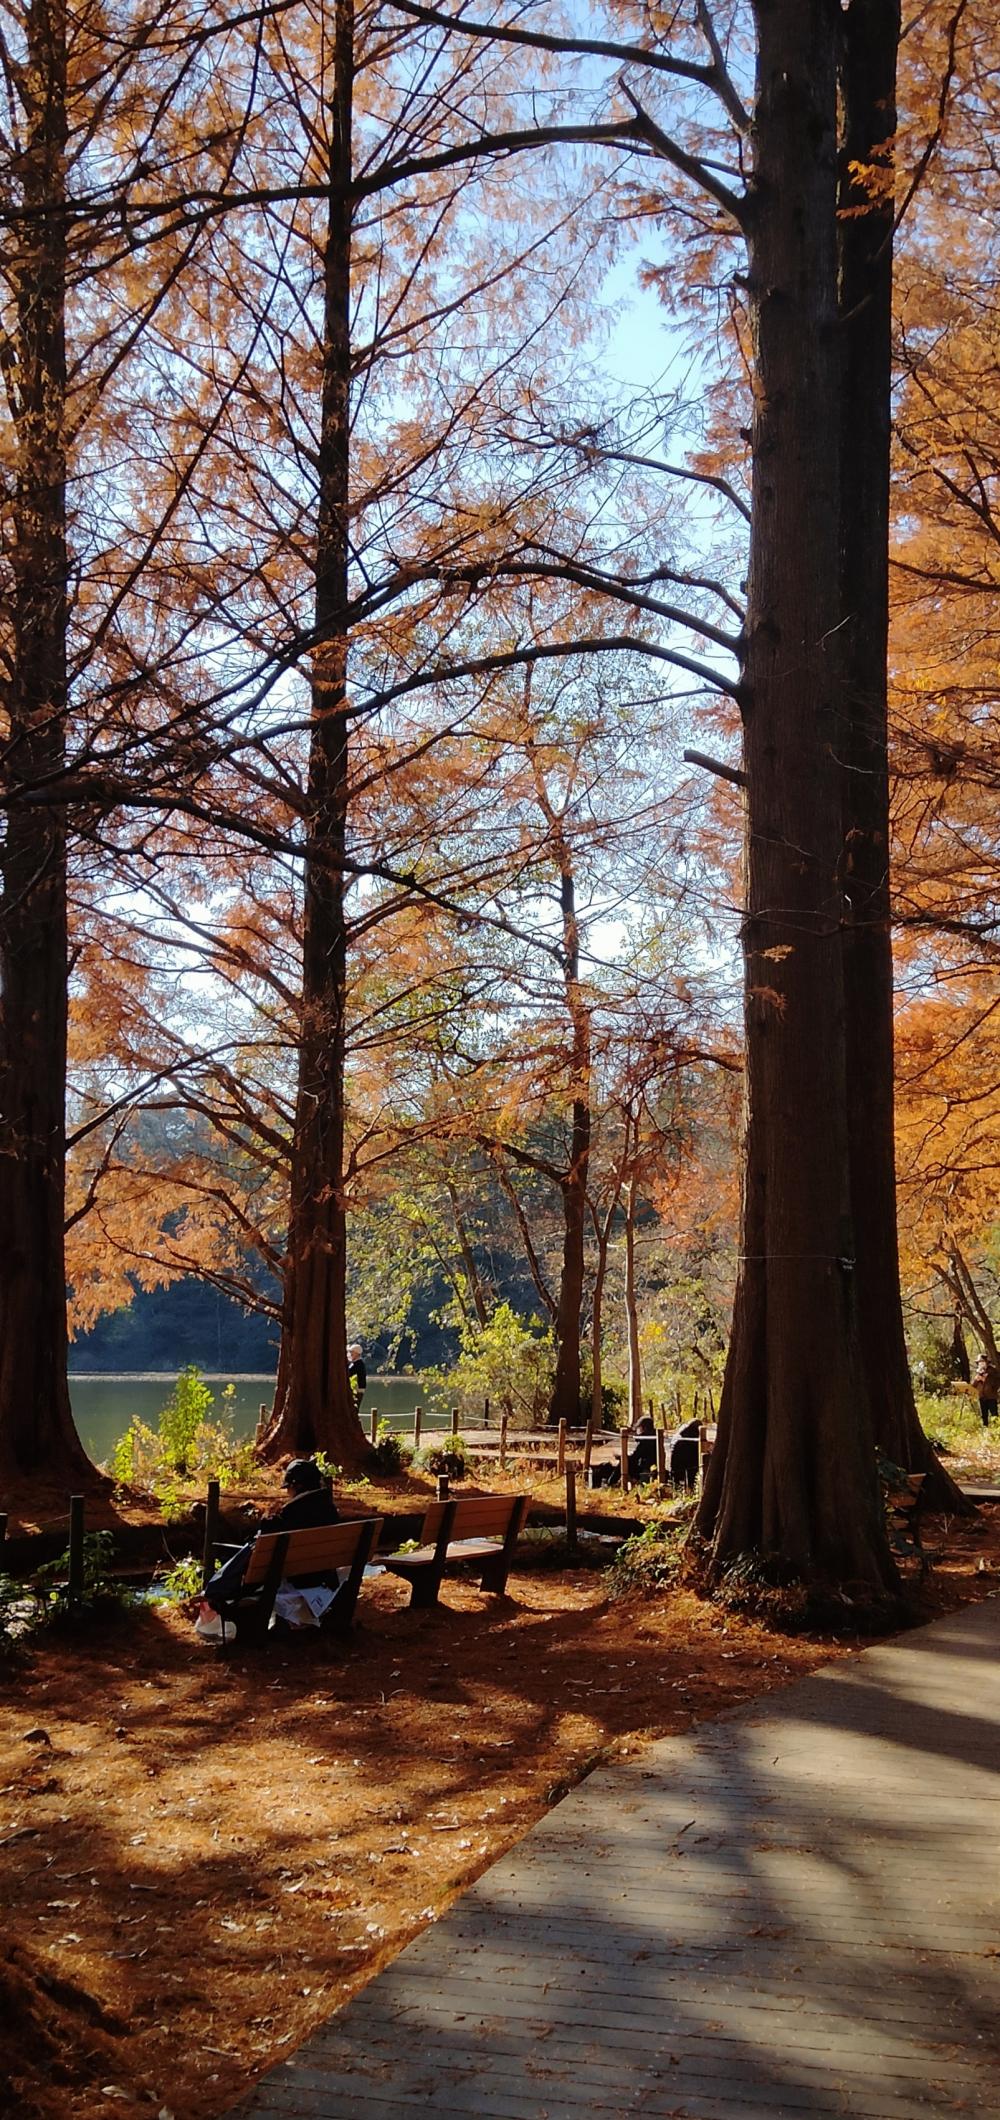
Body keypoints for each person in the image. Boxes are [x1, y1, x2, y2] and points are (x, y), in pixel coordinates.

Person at [200, 1458, 339, 1612]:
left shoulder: (288, 1517)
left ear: (297, 1485)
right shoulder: (330, 1511)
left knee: (249, 1552)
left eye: (288, 1488)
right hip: (323, 1578)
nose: (287, 1492)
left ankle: (216, 1591)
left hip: (297, 1580)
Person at [972, 1352, 999, 1428]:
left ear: (986, 1362)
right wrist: (977, 1379)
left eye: (982, 1361)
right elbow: (973, 1386)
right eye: (979, 1362)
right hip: (982, 1396)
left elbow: (996, 1383)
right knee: (984, 1415)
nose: (981, 1364)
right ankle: (985, 1428)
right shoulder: (978, 1372)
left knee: (994, 1414)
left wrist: (985, 1379)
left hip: (991, 1396)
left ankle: (996, 1430)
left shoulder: (992, 1371)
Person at [348, 1342, 367, 1411]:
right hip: (357, 1388)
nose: (350, 1354)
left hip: (358, 1389)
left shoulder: (358, 1364)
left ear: (357, 1353)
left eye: (352, 1352)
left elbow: (349, 1373)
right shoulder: (356, 1363)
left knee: (354, 1407)